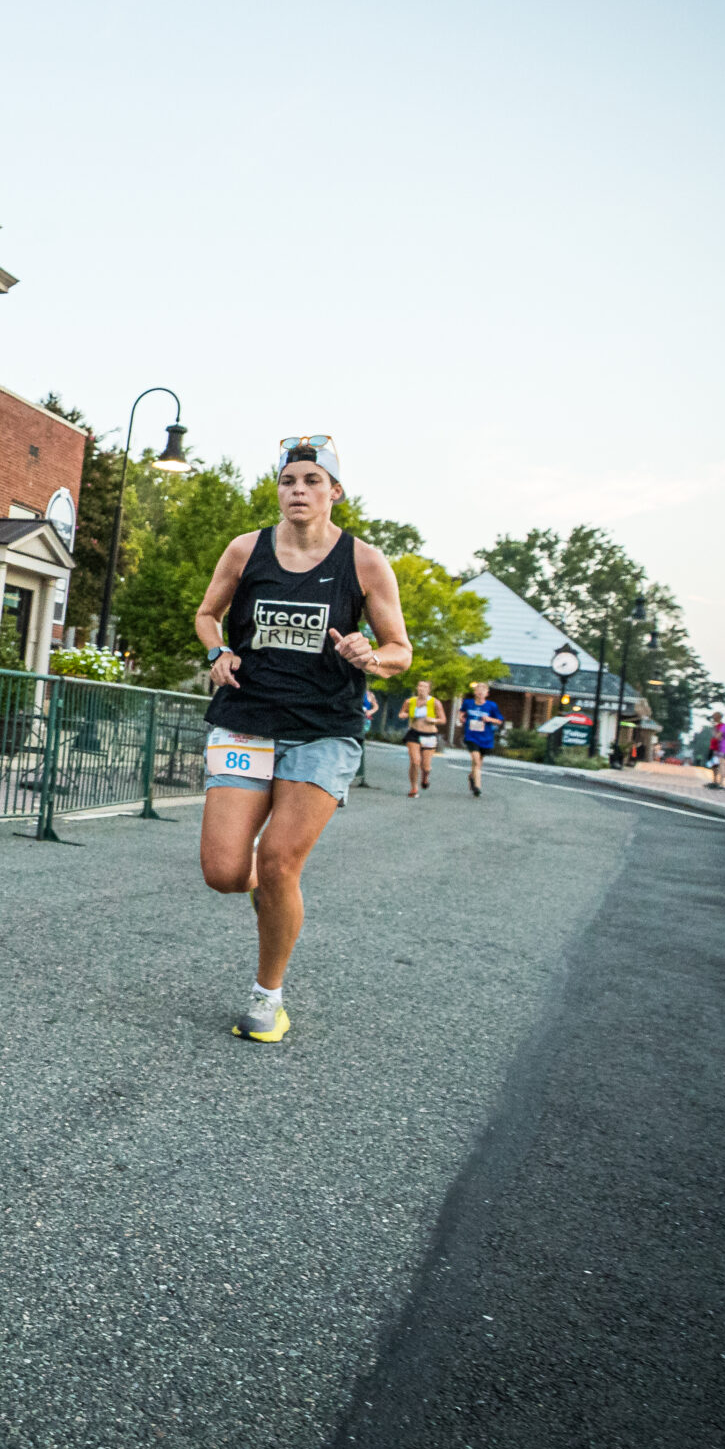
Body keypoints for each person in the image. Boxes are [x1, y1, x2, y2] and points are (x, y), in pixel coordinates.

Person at [195, 436, 411, 1045]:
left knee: (280, 858)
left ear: (335, 492)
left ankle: (268, 998)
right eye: (290, 480)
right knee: (223, 871)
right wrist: (217, 650)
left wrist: (371, 655)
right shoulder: (246, 550)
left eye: (312, 480)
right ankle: (270, 887)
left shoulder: (364, 562)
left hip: (322, 730)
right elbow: (207, 614)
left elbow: (401, 649)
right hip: (246, 718)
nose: (299, 490)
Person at [458, 679, 505, 796]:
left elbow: (499, 720)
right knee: (476, 760)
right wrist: (461, 718)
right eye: (478, 691)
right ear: (475, 692)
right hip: (471, 736)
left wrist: (489, 719)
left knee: (478, 763)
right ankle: (477, 787)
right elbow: (461, 712)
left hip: (486, 738)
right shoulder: (468, 703)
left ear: (487, 694)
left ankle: (472, 776)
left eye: (483, 691)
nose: (480, 693)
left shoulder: (491, 706)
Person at [398, 679, 443, 797]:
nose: (421, 688)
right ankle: (414, 788)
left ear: (429, 689)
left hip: (429, 735)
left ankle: (425, 777)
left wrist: (433, 720)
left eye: (424, 686)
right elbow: (401, 713)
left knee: (426, 766)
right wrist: (406, 715)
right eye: (419, 686)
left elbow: (443, 720)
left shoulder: (435, 703)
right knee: (415, 761)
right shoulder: (410, 701)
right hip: (414, 733)